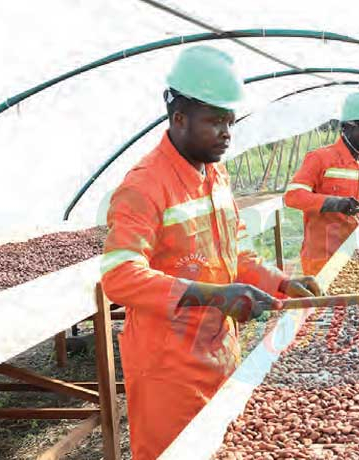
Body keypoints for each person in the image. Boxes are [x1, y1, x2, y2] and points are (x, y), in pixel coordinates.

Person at [100, 45, 321, 460]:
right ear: (179, 118)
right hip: (168, 368)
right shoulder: (144, 186)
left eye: (230, 122)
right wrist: (215, 296)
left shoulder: (215, 174)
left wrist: (281, 281)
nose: (226, 133)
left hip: (219, 351)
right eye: (215, 121)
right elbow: (120, 277)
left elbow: (234, 249)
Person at [283, 91, 359, 276]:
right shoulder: (320, 158)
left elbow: (353, 205)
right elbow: (292, 196)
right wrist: (334, 203)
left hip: (349, 253)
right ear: (347, 127)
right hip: (320, 259)